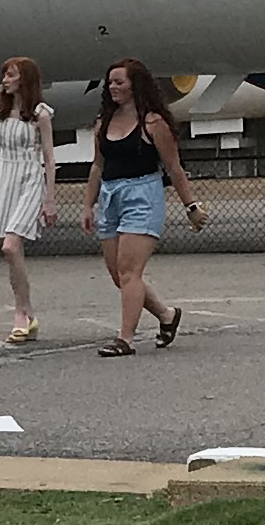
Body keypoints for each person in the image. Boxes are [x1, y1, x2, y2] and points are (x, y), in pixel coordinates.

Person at [87, 57, 209, 352]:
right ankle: (167, 316)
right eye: (111, 82)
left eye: (120, 82)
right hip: (110, 196)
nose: (113, 87)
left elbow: (174, 169)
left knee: (130, 271)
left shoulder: (153, 123)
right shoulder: (103, 123)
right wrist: (87, 205)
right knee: (120, 275)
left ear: (135, 85)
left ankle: (124, 339)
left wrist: (191, 206)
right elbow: (97, 167)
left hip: (143, 195)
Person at [0, 54, 54, 344]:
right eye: (5, 75)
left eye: (11, 75)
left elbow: (49, 158)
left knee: (10, 245)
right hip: (7, 179)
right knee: (10, 251)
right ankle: (26, 313)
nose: (5, 80)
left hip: (31, 179)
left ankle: (22, 312)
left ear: (24, 79)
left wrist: (50, 198)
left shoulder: (40, 114)